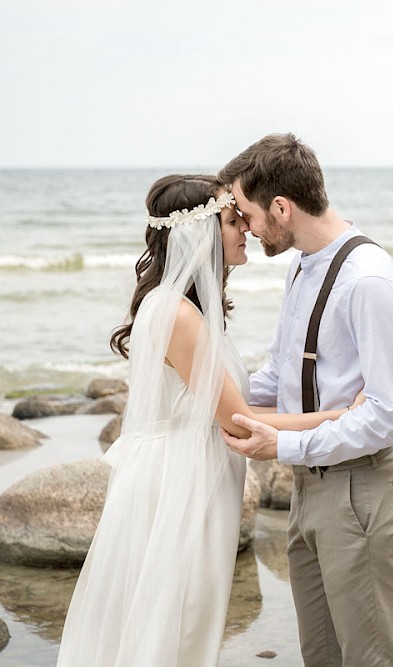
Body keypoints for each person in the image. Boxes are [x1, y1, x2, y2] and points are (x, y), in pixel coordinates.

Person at [57, 174, 362, 667]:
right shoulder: (178, 315)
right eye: (231, 219)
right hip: (182, 483)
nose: (245, 227)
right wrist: (346, 414)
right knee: (176, 623)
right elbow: (238, 418)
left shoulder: (180, 309)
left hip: (186, 472)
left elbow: (230, 399)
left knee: (173, 615)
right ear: (198, 234)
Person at [218, 134, 393, 666]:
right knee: (322, 656)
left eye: (248, 213)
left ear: (281, 207)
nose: (247, 226)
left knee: (370, 658)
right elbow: (283, 373)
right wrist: (210, 392)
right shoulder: (303, 264)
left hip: (359, 490)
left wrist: (281, 444)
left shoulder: (369, 282)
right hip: (311, 485)